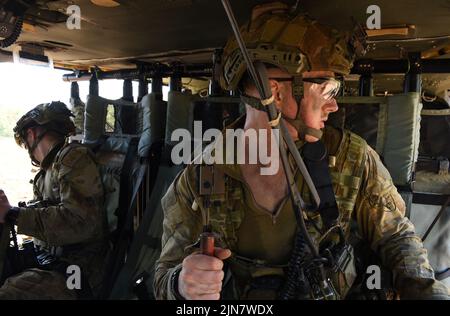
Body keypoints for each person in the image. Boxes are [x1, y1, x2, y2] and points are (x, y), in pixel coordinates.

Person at [154, 2, 450, 300]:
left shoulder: (351, 158)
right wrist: (181, 285)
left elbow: (398, 239)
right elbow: (163, 276)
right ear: (277, 93)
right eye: (328, 91)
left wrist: (427, 293)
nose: (334, 106)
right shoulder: (200, 174)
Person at [0, 101, 107, 299]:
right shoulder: (48, 170)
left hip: (78, 273)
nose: (27, 148)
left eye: (25, 142)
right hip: (52, 261)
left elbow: (81, 222)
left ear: (31, 134)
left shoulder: (72, 158)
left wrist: (14, 214)